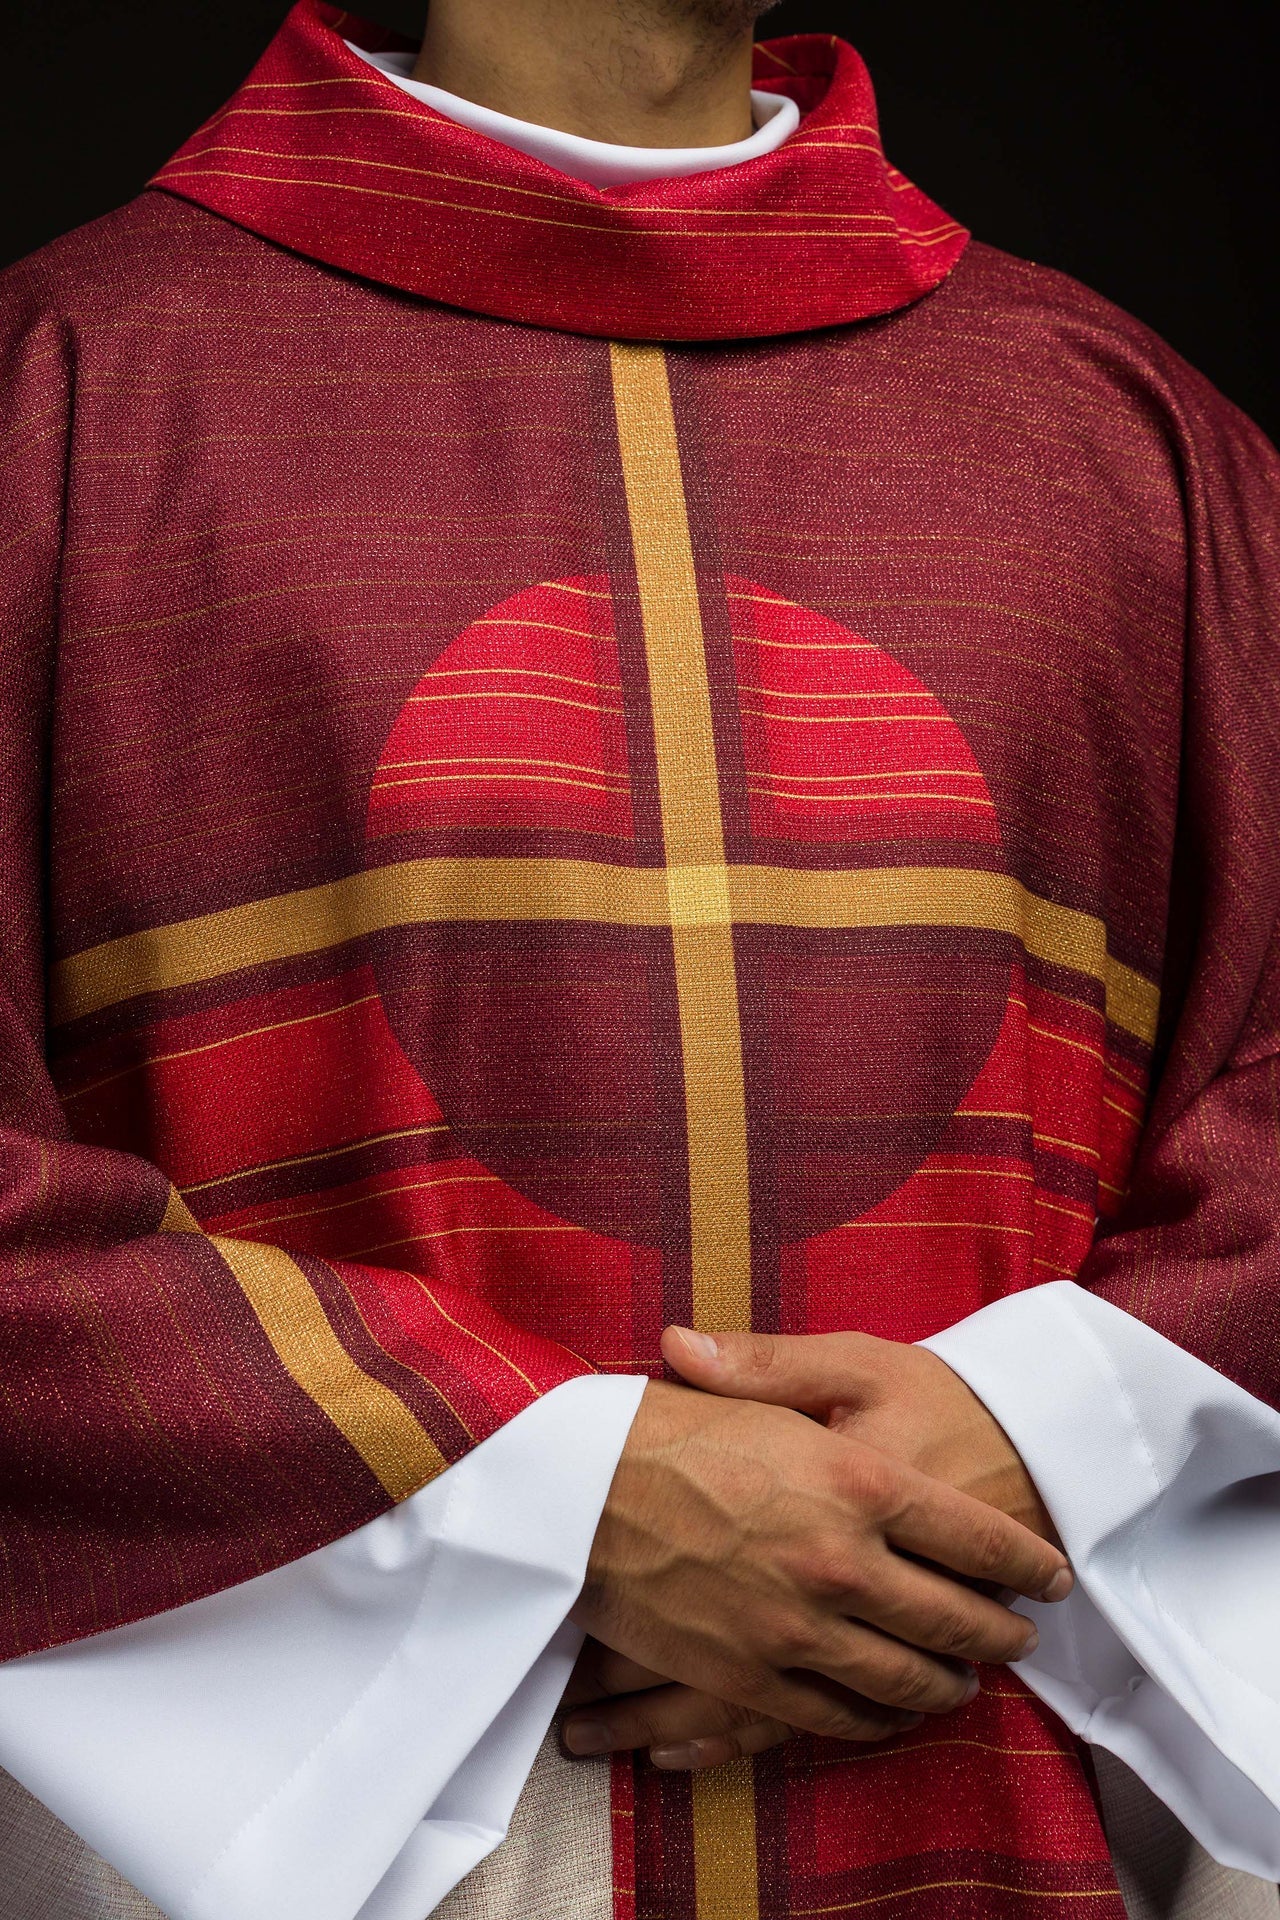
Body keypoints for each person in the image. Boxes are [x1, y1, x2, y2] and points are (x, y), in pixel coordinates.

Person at [0, 1, 1277, 1916]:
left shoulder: (1127, 432)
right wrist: (538, 1494)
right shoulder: (66, 388)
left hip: (999, 1727)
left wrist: (1055, 1417)